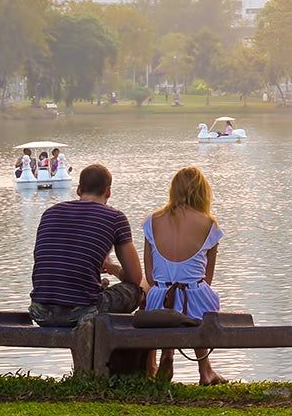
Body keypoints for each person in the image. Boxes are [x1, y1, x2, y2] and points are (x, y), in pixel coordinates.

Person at [29, 163, 144, 327]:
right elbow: (135, 277)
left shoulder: (50, 213)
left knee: (92, 291)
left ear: (78, 190)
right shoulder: (115, 218)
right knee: (136, 291)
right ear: (108, 192)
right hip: (82, 313)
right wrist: (111, 267)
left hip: (40, 312)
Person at [140, 165, 226, 385]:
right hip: (196, 303)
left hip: (159, 301)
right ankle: (205, 370)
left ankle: (167, 354)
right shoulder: (210, 225)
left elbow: (150, 277)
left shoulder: (152, 221)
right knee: (198, 294)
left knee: (166, 294)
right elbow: (206, 279)